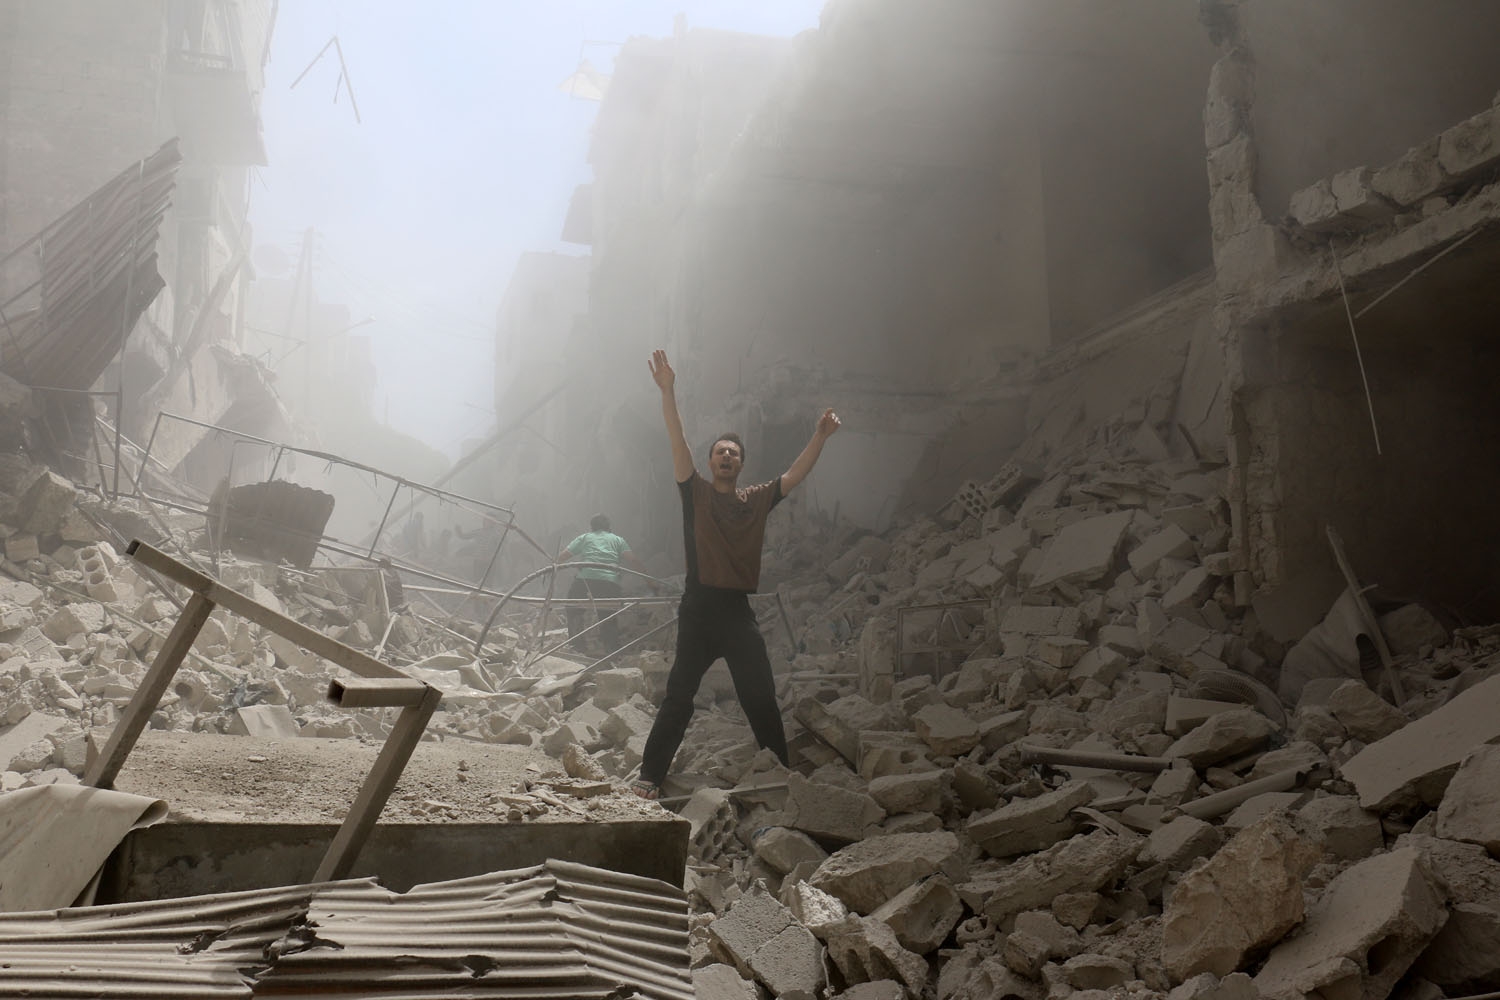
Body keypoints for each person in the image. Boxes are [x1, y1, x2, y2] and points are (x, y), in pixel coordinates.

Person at [635, 348, 841, 799]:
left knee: (759, 695)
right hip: (697, 608)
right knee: (679, 697)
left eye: (733, 452)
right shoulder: (696, 493)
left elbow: (794, 475)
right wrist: (669, 391)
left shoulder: (756, 500)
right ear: (710, 463)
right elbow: (677, 439)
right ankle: (649, 777)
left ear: (740, 464)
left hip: (736, 612)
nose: (726, 456)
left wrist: (820, 437)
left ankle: (781, 774)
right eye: (719, 452)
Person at [556, 514, 646, 653]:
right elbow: (633, 561)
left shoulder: (585, 537)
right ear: (609, 528)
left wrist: (553, 565)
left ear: (592, 528)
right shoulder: (618, 540)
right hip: (610, 581)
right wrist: (651, 583)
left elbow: (563, 556)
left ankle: (577, 646)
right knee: (608, 614)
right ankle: (611, 649)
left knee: (573, 608)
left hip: (585, 580)